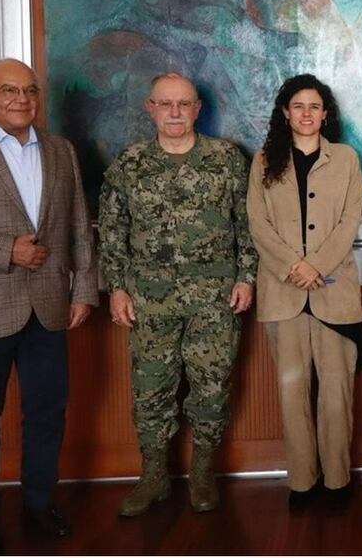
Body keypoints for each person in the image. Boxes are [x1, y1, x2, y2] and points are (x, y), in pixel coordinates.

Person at [0, 58, 98, 554]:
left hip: (50, 307)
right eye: (8, 90)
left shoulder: (60, 149)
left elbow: (78, 224)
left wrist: (84, 289)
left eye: (29, 89)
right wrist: (6, 250)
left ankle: (38, 505)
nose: (21, 99)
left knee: (47, 415)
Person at [99, 72, 257, 516]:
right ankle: (154, 477)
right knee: (150, 391)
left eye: (183, 104)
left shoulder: (226, 159)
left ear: (196, 109)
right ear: (150, 108)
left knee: (211, 388)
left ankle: (203, 474)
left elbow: (248, 224)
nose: (174, 112)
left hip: (216, 298)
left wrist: (246, 277)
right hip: (149, 300)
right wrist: (117, 288)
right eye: (165, 104)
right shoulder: (129, 164)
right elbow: (113, 231)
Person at [247, 74, 362, 511]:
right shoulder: (264, 161)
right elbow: (257, 224)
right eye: (298, 106)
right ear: (285, 112)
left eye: (315, 107)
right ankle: (302, 481)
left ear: (325, 114)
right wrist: (292, 267)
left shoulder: (346, 159)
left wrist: (314, 265)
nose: (306, 114)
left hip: (334, 291)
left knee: (336, 390)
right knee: (292, 389)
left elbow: (348, 221)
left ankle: (337, 481)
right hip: (283, 293)